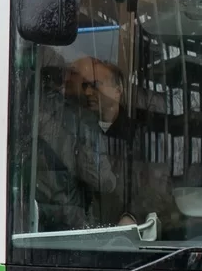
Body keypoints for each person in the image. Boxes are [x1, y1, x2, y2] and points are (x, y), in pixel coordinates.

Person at [33, 55, 168, 230]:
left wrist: (132, 215)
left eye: (96, 86)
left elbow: (157, 188)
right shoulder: (76, 131)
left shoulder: (142, 136)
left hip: (126, 235)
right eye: (86, 86)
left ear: (118, 89)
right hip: (82, 231)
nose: (88, 92)